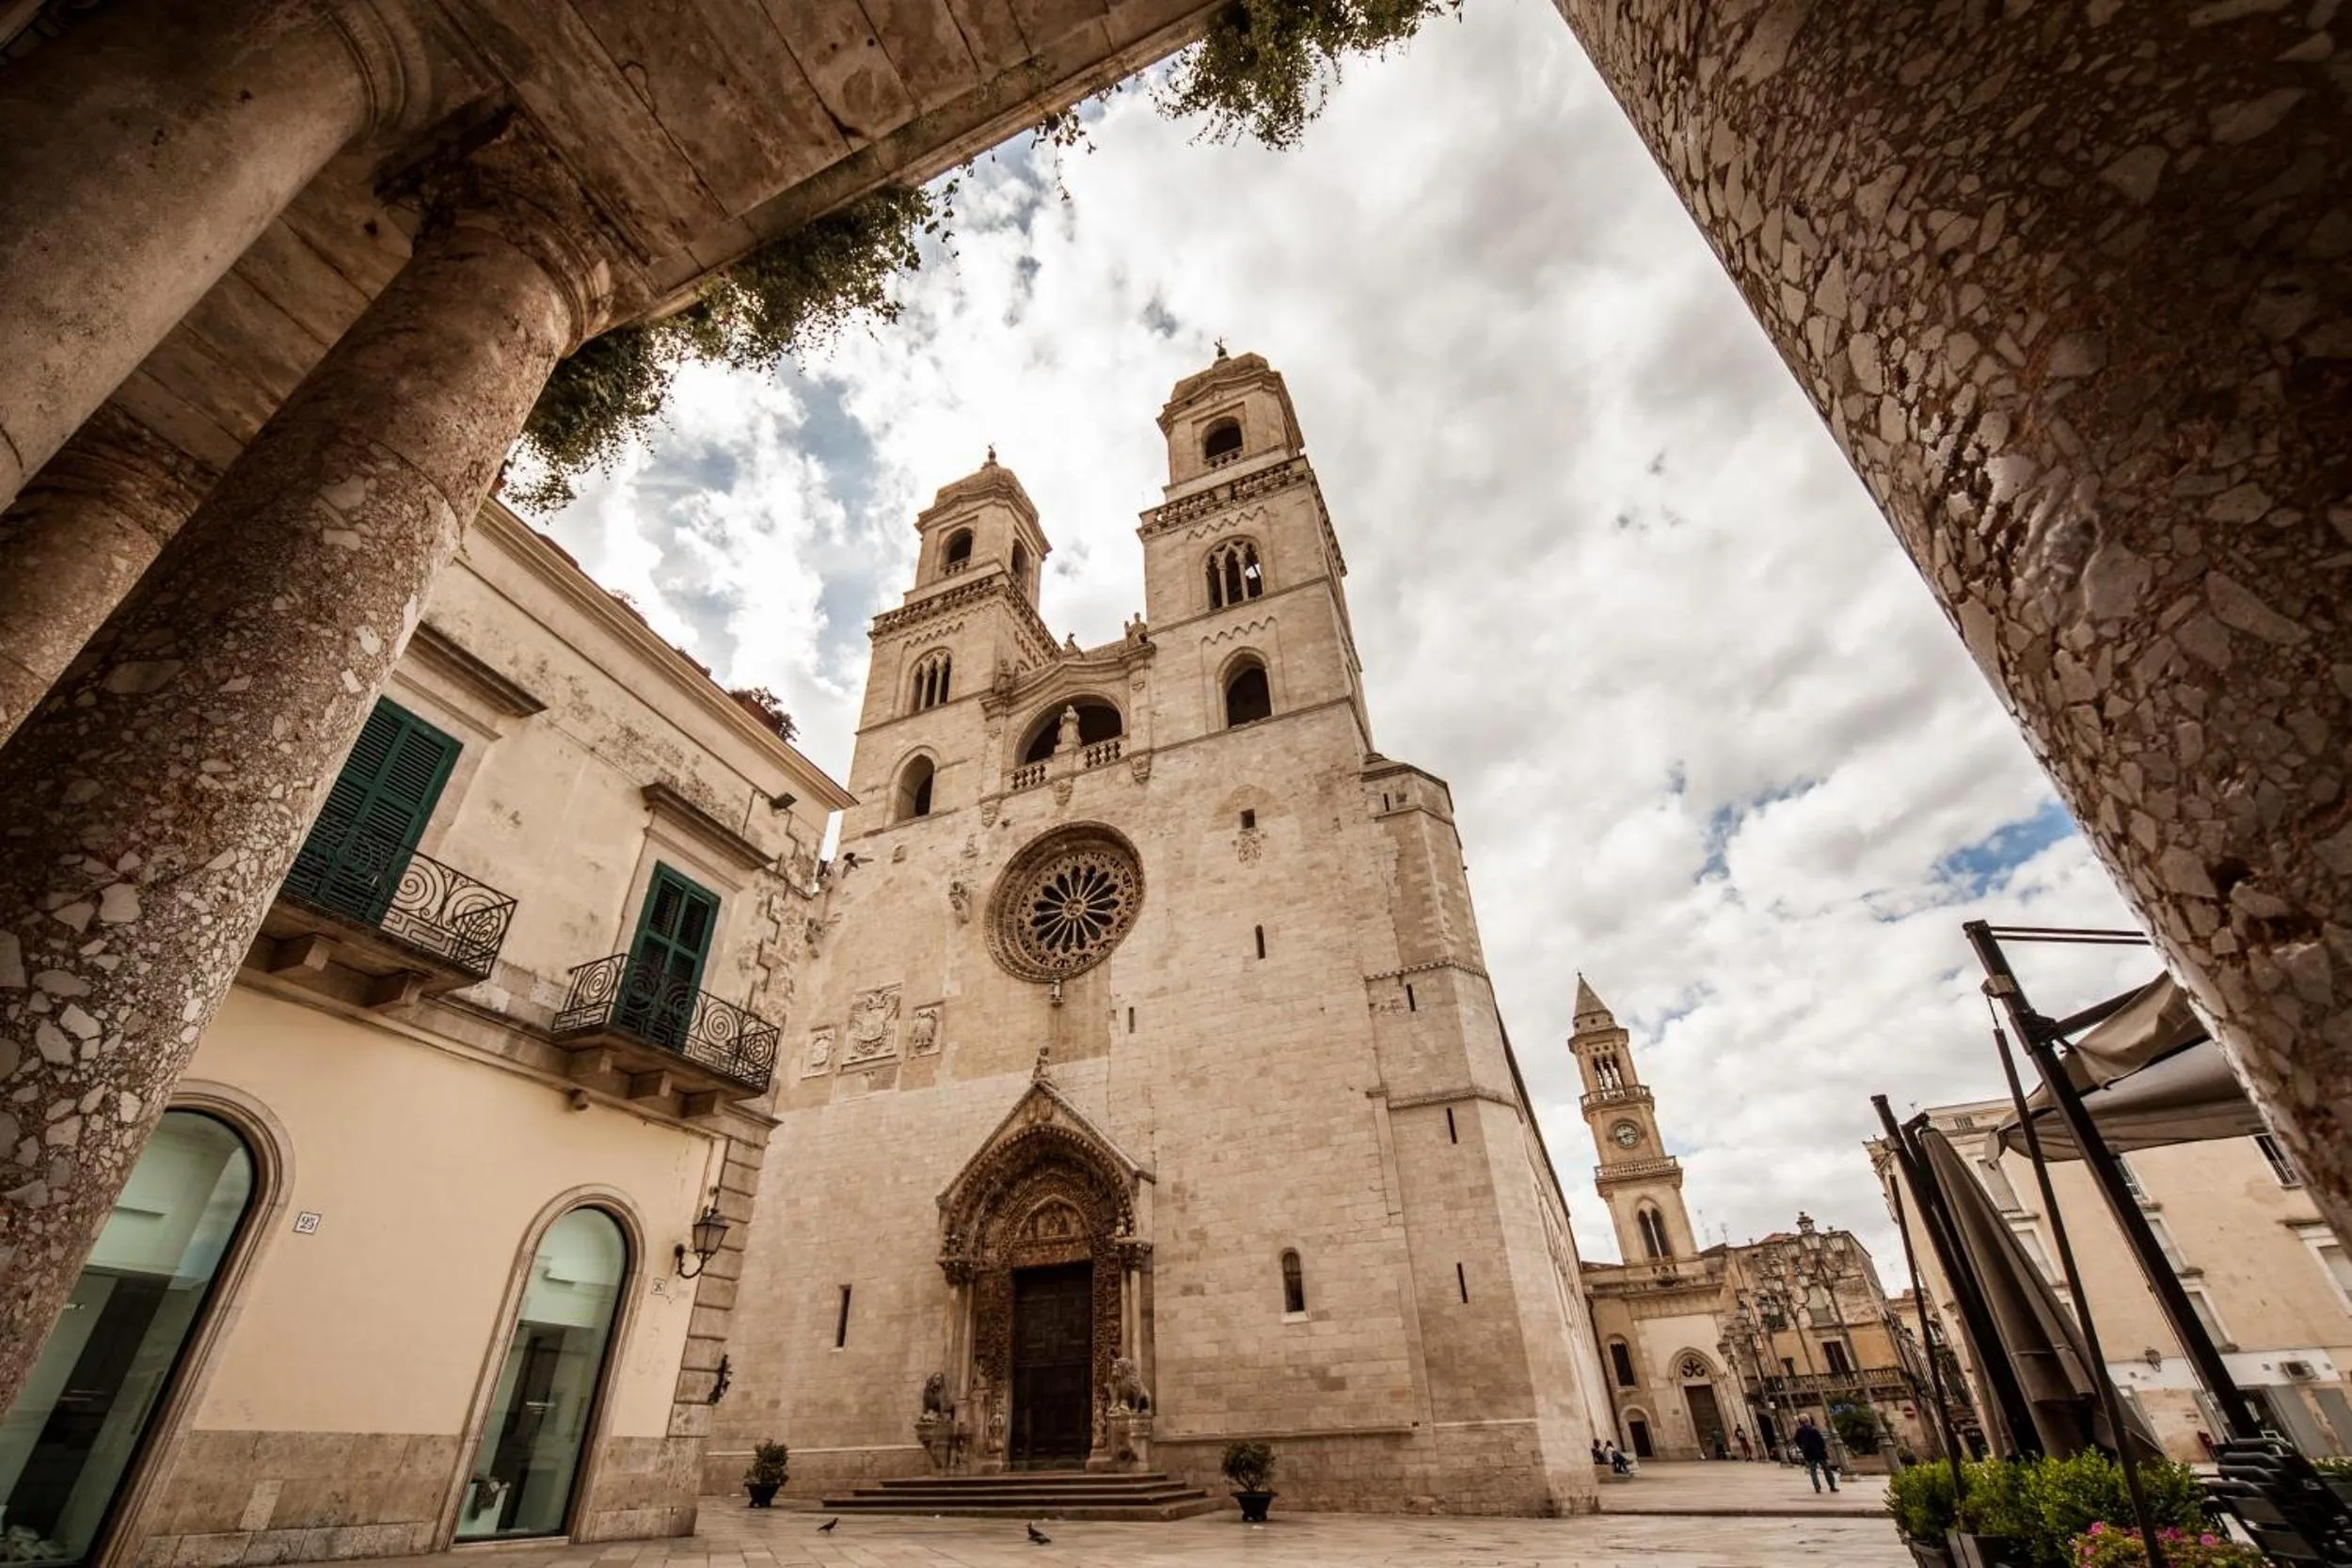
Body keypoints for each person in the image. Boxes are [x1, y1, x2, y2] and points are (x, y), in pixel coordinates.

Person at [1792, 1416, 1837, 1493]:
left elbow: (1796, 1439)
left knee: (1813, 1471)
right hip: (1818, 1452)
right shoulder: (1813, 1429)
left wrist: (1801, 1447)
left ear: (1800, 1422)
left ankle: (1817, 1487)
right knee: (1827, 1470)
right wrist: (1823, 1449)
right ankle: (1832, 1486)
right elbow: (1820, 1440)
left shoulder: (1799, 1431)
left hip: (1808, 1453)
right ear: (1808, 1420)